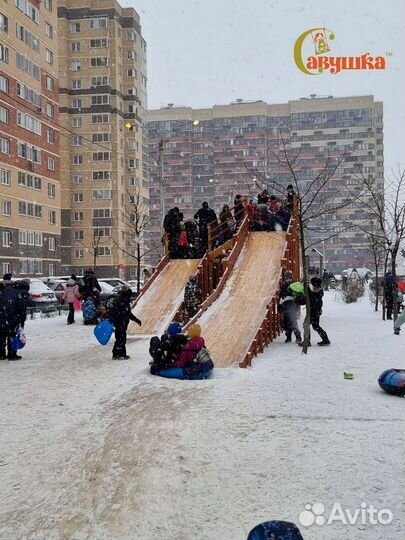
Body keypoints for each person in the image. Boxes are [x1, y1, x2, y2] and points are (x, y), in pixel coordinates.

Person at [108, 286, 141, 360]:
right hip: (119, 323)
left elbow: (128, 313)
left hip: (122, 323)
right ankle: (118, 354)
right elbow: (115, 312)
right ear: (126, 293)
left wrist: (136, 320)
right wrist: (116, 322)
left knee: (121, 338)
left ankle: (119, 354)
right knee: (120, 339)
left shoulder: (124, 301)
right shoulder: (120, 301)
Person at [0, 280, 29, 360]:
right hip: (13, 316)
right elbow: (22, 308)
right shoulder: (22, 293)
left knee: (2, 335)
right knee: (12, 335)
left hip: (2, 315)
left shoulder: (6, 290)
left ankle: (1, 354)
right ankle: (12, 354)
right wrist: (22, 321)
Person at [278, 271, 302, 345]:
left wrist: (296, 302)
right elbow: (280, 296)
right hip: (285, 306)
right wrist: (280, 305)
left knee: (293, 322)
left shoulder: (294, 286)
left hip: (293, 306)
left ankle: (298, 337)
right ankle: (288, 337)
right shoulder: (283, 286)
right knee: (286, 323)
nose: (288, 280)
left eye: (290, 278)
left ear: (292, 278)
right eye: (287, 278)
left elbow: (299, 295)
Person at [307, 276, 330, 346]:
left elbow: (313, 301)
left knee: (307, 325)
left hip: (314, 311)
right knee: (315, 326)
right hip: (315, 311)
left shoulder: (317, 294)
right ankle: (325, 339)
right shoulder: (314, 291)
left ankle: (307, 341)